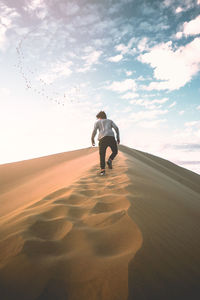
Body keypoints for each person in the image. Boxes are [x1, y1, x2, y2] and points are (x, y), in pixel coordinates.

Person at [91, 111, 120, 176]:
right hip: (111, 137)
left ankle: (102, 171)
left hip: (102, 139)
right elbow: (116, 128)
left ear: (99, 117)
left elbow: (94, 131)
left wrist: (92, 139)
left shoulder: (97, 122)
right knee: (115, 151)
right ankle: (110, 160)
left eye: (98, 118)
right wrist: (118, 137)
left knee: (102, 154)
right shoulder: (110, 121)